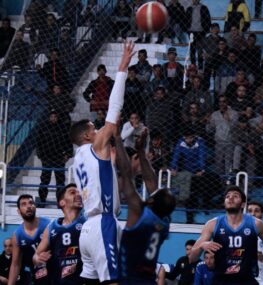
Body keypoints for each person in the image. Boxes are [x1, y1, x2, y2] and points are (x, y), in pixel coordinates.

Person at [70, 42, 135, 285]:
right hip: (102, 223)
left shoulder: (77, 159)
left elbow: (109, 170)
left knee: (88, 281)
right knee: (112, 281)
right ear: (87, 136)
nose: (98, 131)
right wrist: (122, 69)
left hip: (87, 227)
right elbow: (114, 110)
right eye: (94, 129)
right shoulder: (94, 147)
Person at [188, 185, 263, 285]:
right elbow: (192, 258)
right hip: (221, 279)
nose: (230, 198)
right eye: (227, 196)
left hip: (246, 279)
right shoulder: (212, 224)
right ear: (224, 202)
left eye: (235, 196)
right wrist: (202, 245)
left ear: (243, 204)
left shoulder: (256, 224)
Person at [114, 126, 176, 284]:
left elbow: (126, 173)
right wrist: (141, 153)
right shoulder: (165, 224)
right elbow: (151, 182)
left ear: (151, 200)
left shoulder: (140, 213)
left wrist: (117, 138)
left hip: (129, 280)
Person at [32, 184, 86, 285]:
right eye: (73, 192)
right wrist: (38, 259)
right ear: (62, 202)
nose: (79, 195)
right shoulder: (52, 227)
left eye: (79, 192)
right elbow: (35, 256)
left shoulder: (88, 223)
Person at [7, 195, 50, 285]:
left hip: (56, 274)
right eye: (24, 204)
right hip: (37, 277)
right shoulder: (17, 235)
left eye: (31, 203)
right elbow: (15, 265)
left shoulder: (48, 224)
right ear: (19, 211)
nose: (28, 206)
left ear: (35, 207)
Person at [35, 110, 73, 204]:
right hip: (47, 157)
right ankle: (42, 200)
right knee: (44, 180)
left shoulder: (62, 128)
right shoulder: (44, 128)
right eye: (51, 116)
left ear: (58, 117)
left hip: (59, 158)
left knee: (60, 181)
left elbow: (68, 141)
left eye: (55, 116)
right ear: (49, 117)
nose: (53, 118)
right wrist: (41, 155)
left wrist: (68, 154)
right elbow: (39, 142)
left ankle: (60, 201)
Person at [185, 0, 211, 70]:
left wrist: (206, 29)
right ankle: (193, 66)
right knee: (192, 50)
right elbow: (185, 19)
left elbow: (208, 19)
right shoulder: (189, 8)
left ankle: (200, 67)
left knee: (200, 50)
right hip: (191, 32)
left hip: (201, 31)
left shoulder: (204, 8)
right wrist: (187, 29)